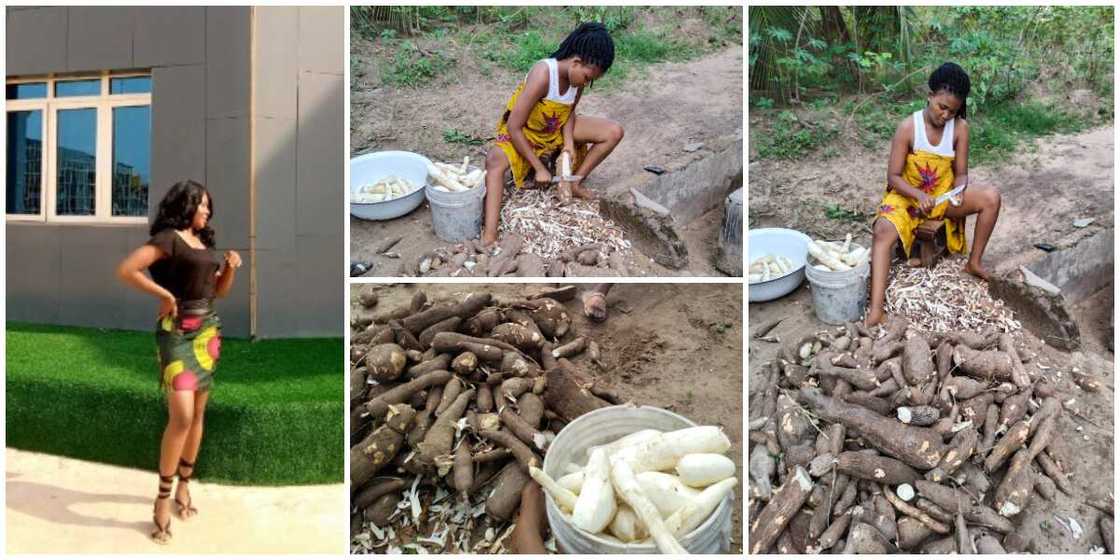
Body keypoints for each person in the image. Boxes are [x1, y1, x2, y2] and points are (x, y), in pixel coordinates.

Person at [117, 180, 242, 544]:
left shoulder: (203, 243)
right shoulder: (169, 239)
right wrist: (164, 294)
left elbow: (218, 290)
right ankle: (161, 498)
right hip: (175, 332)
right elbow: (127, 269)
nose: (207, 212)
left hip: (207, 333)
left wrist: (230, 267)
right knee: (182, 416)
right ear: (186, 205)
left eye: (208, 207)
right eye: (202, 205)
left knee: (199, 414)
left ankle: (184, 487)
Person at [865, 62, 1002, 327]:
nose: (946, 115)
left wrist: (959, 191)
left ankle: (973, 263)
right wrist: (917, 195)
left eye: (953, 111)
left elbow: (961, 173)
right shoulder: (908, 127)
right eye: (942, 107)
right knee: (882, 230)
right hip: (907, 197)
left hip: (942, 197)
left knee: (991, 197)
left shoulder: (960, 128)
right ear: (929, 96)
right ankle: (875, 311)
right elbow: (893, 177)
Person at [482, 22, 625, 244]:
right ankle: (489, 235)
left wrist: (568, 145)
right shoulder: (543, 74)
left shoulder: (577, 81)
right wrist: (539, 168)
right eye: (588, 78)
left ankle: (575, 182)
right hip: (526, 131)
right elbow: (514, 126)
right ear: (576, 62)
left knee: (613, 132)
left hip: (554, 129)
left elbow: (569, 114)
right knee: (494, 161)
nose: (588, 83)